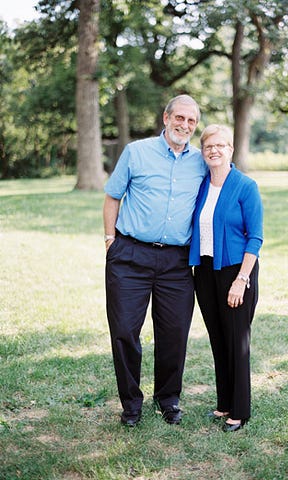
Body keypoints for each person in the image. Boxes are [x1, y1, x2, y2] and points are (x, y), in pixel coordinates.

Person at [103, 94, 207, 427]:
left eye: (191, 121)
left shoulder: (201, 161)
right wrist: (109, 241)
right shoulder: (137, 152)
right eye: (180, 118)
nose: (185, 125)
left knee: (174, 332)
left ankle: (168, 399)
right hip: (130, 255)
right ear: (165, 118)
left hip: (177, 261)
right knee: (124, 331)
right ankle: (131, 404)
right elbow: (112, 196)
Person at [188, 124, 263, 433]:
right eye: (208, 146)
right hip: (204, 272)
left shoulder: (246, 186)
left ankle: (240, 411)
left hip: (236, 271)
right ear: (203, 152)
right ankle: (223, 403)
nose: (214, 150)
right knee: (218, 340)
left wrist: (241, 280)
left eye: (220, 145)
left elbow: (255, 238)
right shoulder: (202, 186)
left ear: (231, 149)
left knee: (237, 342)